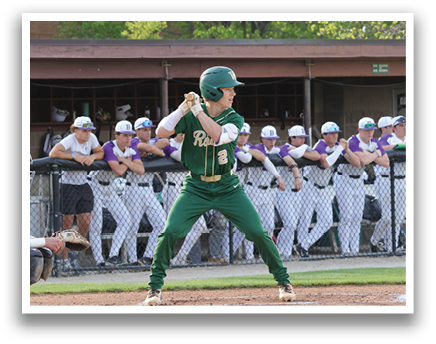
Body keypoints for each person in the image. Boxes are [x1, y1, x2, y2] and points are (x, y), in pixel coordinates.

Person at [142, 66, 295, 306]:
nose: (233, 93)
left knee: (257, 232)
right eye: (228, 89)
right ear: (212, 92)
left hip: (227, 187)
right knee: (170, 231)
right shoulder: (191, 114)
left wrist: (198, 112)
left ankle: (283, 281)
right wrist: (183, 109)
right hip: (195, 187)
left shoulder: (234, 117)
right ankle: (154, 288)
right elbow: (162, 131)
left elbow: (219, 136)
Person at [293, 122, 360, 258]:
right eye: (331, 133)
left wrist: (346, 149)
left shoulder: (337, 147)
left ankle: (303, 245)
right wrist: (339, 149)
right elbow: (326, 163)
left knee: (327, 221)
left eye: (336, 133)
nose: (335, 136)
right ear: (324, 135)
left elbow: (356, 163)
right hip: (309, 185)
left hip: (323, 189)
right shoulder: (320, 145)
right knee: (305, 220)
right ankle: (301, 248)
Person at [222, 122, 285, 262]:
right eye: (240, 135)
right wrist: (241, 149)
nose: (243, 138)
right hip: (246, 189)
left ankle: (265, 254)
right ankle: (238, 255)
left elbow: (262, 157)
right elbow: (247, 158)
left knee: (269, 224)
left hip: (264, 191)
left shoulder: (250, 147)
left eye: (245, 135)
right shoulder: (232, 146)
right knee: (244, 225)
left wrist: (278, 177)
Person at [48, 116, 104, 270]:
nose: (87, 134)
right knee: (66, 226)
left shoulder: (91, 138)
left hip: (83, 184)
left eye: (89, 131)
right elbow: (54, 153)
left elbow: (100, 152)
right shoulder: (70, 140)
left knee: (85, 224)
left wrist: (92, 156)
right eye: (84, 130)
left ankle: (72, 254)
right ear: (76, 130)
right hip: (67, 186)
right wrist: (74, 156)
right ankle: (64, 260)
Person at [88, 120, 144, 267]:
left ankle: (113, 255)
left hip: (110, 188)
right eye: (124, 135)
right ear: (117, 135)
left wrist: (123, 160)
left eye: (130, 135)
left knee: (126, 219)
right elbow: (118, 171)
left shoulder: (130, 148)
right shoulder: (109, 147)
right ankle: (99, 261)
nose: (128, 138)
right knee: (96, 226)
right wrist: (127, 161)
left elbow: (140, 169)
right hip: (95, 186)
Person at [333, 117, 389, 255]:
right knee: (347, 216)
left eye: (371, 130)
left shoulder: (374, 141)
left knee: (358, 216)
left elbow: (386, 161)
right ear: (359, 130)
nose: (370, 133)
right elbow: (362, 161)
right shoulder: (353, 141)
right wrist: (376, 154)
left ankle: (355, 250)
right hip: (344, 179)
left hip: (358, 180)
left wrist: (370, 154)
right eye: (366, 130)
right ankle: (345, 250)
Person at [122, 117, 170, 267]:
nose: (148, 132)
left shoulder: (152, 140)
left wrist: (152, 149)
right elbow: (151, 149)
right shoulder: (133, 141)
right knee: (133, 226)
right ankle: (132, 260)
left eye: (149, 129)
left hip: (148, 188)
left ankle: (148, 256)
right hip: (133, 187)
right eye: (144, 130)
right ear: (137, 131)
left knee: (161, 223)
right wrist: (153, 150)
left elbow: (166, 142)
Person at [246, 125, 302, 243]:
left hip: (267, 192)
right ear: (262, 139)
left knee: (269, 226)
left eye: (273, 139)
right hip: (253, 189)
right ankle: (247, 256)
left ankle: (266, 253)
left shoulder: (277, 149)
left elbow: (291, 162)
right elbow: (265, 160)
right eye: (268, 139)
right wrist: (279, 177)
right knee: (250, 226)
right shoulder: (258, 148)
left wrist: (297, 176)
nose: (272, 142)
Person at [275, 125, 321, 259]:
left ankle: (287, 253)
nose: (302, 140)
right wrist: (305, 148)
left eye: (303, 138)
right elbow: (295, 154)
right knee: (289, 223)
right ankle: (278, 251)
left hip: (298, 193)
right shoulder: (283, 148)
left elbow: (317, 155)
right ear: (291, 138)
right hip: (284, 192)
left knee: (293, 224)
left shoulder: (301, 148)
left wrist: (304, 149)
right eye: (299, 137)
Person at [371, 116, 406, 253]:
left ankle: (391, 247)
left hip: (403, 179)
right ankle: (374, 241)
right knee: (387, 216)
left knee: (397, 217)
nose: (404, 128)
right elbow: (378, 148)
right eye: (401, 125)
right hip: (386, 179)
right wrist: (396, 147)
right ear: (394, 127)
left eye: (405, 125)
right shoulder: (388, 138)